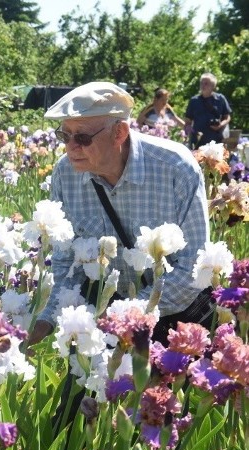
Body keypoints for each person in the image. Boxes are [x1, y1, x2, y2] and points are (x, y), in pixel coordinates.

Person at [28, 81, 211, 348]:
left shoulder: (175, 168)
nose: (71, 147)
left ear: (120, 132)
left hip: (172, 319)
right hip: (105, 316)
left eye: (82, 137)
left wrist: (124, 318)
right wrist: (46, 319)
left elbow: (193, 267)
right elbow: (67, 264)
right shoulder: (65, 173)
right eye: (64, 136)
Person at [184, 72, 232, 149]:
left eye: (206, 83)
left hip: (216, 141)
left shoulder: (220, 99)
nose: (203, 85)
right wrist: (189, 133)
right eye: (201, 83)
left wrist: (220, 125)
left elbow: (227, 117)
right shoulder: (194, 101)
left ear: (213, 86)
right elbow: (188, 121)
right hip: (198, 142)